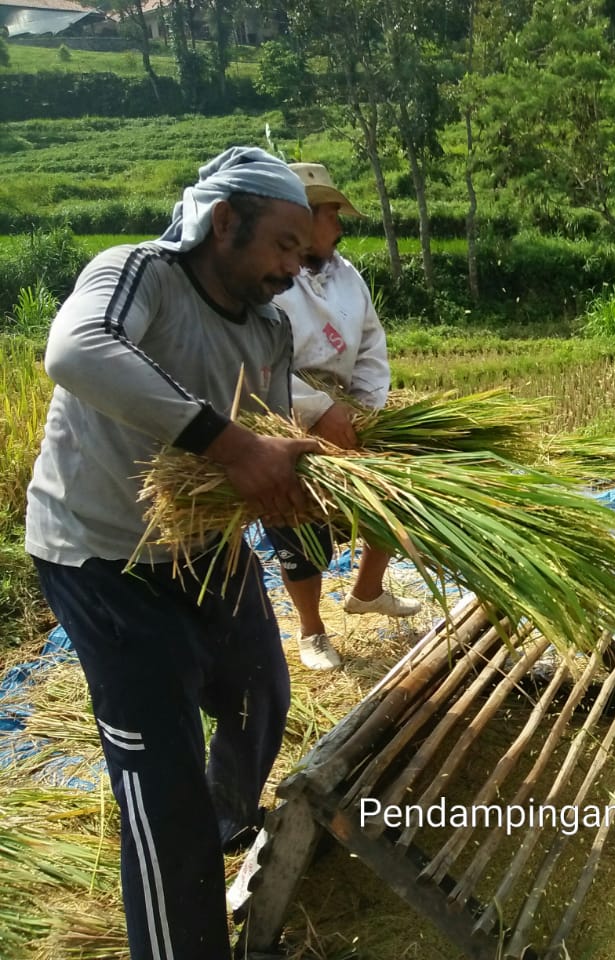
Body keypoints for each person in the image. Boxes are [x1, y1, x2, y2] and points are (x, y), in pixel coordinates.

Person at [25, 147, 318, 960]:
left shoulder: (268, 327)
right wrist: (228, 445)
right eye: (284, 245)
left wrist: (311, 490)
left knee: (259, 697)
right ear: (225, 222)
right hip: (102, 557)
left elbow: (275, 434)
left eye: (303, 252)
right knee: (163, 787)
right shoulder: (140, 273)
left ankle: (223, 823)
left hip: (204, 547)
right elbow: (76, 353)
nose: (296, 265)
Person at [263, 162, 422, 672]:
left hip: (349, 410)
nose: (340, 225)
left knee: (400, 491)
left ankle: (368, 591)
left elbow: (372, 343)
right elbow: (253, 362)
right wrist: (316, 411)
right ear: (303, 219)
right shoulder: (268, 280)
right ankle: (312, 631)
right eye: (332, 214)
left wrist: (365, 408)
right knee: (299, 525)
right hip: (284, 415)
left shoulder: (347, 276)